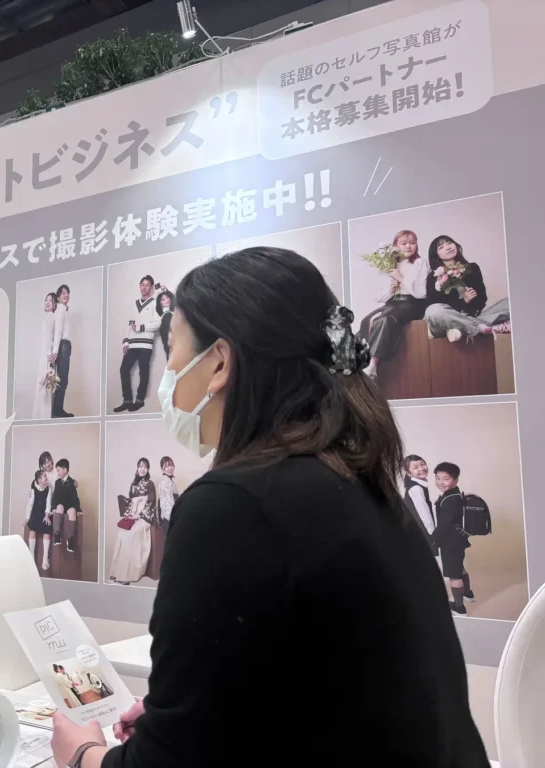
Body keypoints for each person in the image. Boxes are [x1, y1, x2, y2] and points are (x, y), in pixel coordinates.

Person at [51, 247, 488, 767]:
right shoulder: (364, 488)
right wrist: (187, 710)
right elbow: (322, 689)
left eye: (173, 346)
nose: (168, 370)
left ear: (219, 361)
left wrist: (82, 752)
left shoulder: (230, 508)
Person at [357, 229, 428, 379]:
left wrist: (401, 278)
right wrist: (391, 289)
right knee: (366, 321)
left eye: (412, 243)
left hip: (412, 304)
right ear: (395, 246)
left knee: (385, 320)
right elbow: (378, 296)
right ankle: (359, 362)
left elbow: (422, 293)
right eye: (403, 243)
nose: (408, 246)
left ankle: (373, 364)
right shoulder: (389, 264)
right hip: (392, 304)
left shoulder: (419, 263)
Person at [423, 235, 511, 342]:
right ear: (436, 255)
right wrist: (463, 301)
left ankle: (465, 328)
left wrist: (471, 299)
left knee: (511, 302)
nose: (448, 247)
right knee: (432, 311)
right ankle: (477, 328)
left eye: (449, 243)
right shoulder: (434, 276)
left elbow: (482, 299)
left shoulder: (472, 268)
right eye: (441, 247)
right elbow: (433, 304)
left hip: (472, 317)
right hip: (445, 323)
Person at [432, 462, 476, 616]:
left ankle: (459, 608)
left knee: (453, 574)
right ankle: (468, 594)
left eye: (446, 479)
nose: (440, 482)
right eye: (437, 478)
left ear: (455, 481)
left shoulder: (450, 499)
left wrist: (432, 540)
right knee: (459, 567)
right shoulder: (454, 495)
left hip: (450, 542)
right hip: (458, 540)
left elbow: (443, 525)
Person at [114, 276, 161, 413]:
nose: (144, 287)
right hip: (132, 344)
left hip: (146, 344)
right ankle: (127, 400)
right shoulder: (134, 303)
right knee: (124, 370)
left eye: (147, 285)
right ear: (139, 286)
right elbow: (128, 323)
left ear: (151, 287)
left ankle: (139, 400)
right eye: (142, 285)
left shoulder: (154, 303)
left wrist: (141, 327)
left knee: (143, 371)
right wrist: (125, 340)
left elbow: (158, 323)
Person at [108, 458, 155, 585]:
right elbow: (130, 501)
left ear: (148, 469)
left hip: (144, 517)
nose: (142, 469)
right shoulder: (133, 483)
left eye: (145, 467)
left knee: (131, 535)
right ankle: (116, 573)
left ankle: (126, 577)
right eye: (140, 466)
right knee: (121, 535)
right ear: (137, 468)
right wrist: (129, 512)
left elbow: (151, 501)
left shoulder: (150, 484)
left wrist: (139, 515)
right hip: (133, 515)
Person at [33, 291, 62, 420]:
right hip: (43, 355)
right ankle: (39, 416)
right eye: (46, 300)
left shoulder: (51, 317)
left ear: (55, 304)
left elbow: (51, 338)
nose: (47, 302)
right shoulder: (47, 317)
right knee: (42, 386)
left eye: (50, 300)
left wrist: (50, 356)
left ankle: (43, 417)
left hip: (47, 357)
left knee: (45, 387)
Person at [402, 454, 437, 553]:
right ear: (409, 473)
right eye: (415, 467)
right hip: (422, 532)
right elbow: (424, 514)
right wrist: (433, 534)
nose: (421, 468)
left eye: (422, 464)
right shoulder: (416, 488)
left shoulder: (418, 485)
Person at [53, 284, 75, 418]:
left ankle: (58, 409)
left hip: (65, 347)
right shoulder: (60, 309)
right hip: (63, 347)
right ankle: (57, 411)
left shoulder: (63, 310)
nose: (66, 295)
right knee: (62, 380)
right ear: (58, 297)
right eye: (63, 293)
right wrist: (56, 351)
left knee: (62, 380)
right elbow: (58, 332)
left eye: (67, 293)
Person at [25, 469, 54, 571]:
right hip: (35, 513)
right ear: (39, 480)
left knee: (47, 529)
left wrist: (47, 515)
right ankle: (31, 557)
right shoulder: (33, 490)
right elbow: (30, 504)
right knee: (32, 530)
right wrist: (27, 518)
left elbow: (48, 503)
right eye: (44, 476)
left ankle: (45, 559)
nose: (46, 478)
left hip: (44, 514)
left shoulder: (48, 489)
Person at [52, 458, 81, 553]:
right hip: (61, 504)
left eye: (58, 470)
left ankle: (70, 538)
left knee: (72, 511)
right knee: (59, 507)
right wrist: (53, 507)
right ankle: (57, 534)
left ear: (65, 470)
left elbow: (75, 496)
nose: (57, 473)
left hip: (69, 505)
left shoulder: (72, 482)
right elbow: (55, 496)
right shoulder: (57, 482)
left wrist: (78, 509)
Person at [156, 456, 178, 534]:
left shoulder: (169, 480)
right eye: (167, 466)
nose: (170, 468)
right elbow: (168, 504)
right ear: (162, 469)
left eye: (171, 465)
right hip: (169, 518)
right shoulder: (165, 482)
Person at [157, 290, 175, 360]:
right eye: (163, 299)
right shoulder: (167, 315)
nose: (167, 300)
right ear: (160, 304)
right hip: (172, 347)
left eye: (167, 298)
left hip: (170, 347)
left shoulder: (166, 315)